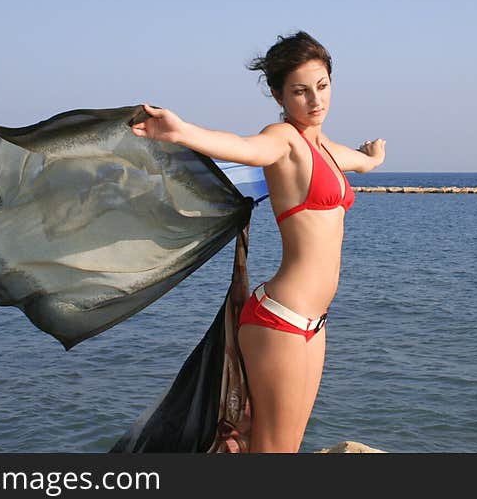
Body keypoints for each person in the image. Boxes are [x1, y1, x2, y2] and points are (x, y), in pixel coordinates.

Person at [131, 31, 386, 452]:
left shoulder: (324, 148)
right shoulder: (284, 141)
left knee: (285, 443)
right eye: (300, 91)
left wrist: (374, 156)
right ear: (278, 95)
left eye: (322, 86)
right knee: (272, 450)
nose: (315, 100)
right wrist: (180, 132)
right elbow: (243, 147)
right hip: (280, 319)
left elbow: (360, 163)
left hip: (314, 322)